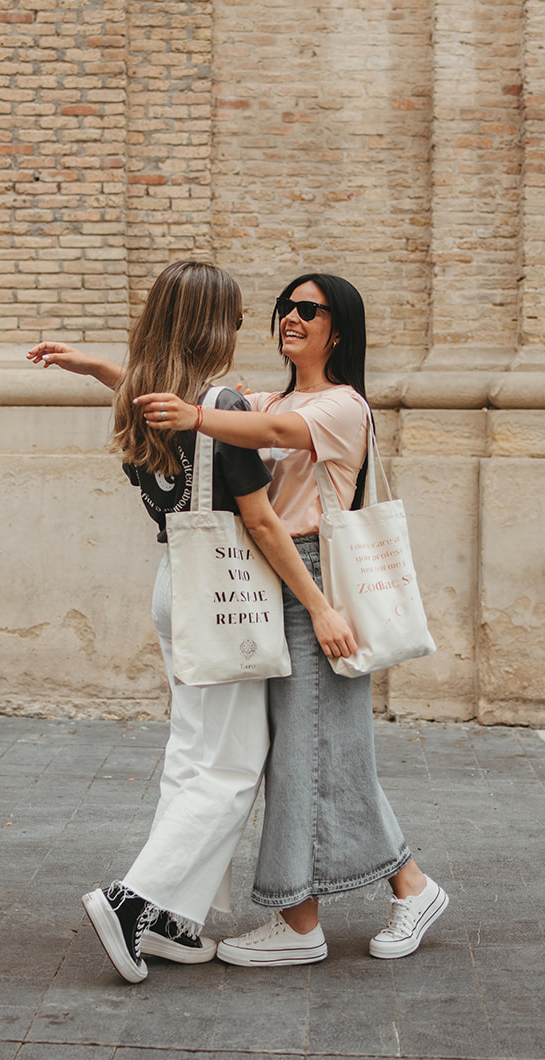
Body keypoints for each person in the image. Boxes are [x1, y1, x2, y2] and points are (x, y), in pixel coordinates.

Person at [27, 261, 357, 984]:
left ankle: (173, 919)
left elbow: (154, 396)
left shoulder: (149, 401)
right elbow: (263, 524)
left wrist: (94, 368)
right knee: (229, 767)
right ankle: (132, 902)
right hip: (223, 594)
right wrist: (321, 605)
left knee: (190, 757)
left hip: (176, 584)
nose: (242, 329)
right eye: (235, 319)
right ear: (212, 327)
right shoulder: (218, 404)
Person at [131, 273, 448, 966]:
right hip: (274, 580)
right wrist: (100, 370)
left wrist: (197, 419)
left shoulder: (342, 406)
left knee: (308, 750)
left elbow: (266, 431)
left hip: (315, 580)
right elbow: (202, 404)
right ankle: (411, 887)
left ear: (339, 330)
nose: (291, 318)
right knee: (316, 748)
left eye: (309, 309)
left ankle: (301, 921)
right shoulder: (270, 397)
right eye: (286, 308)